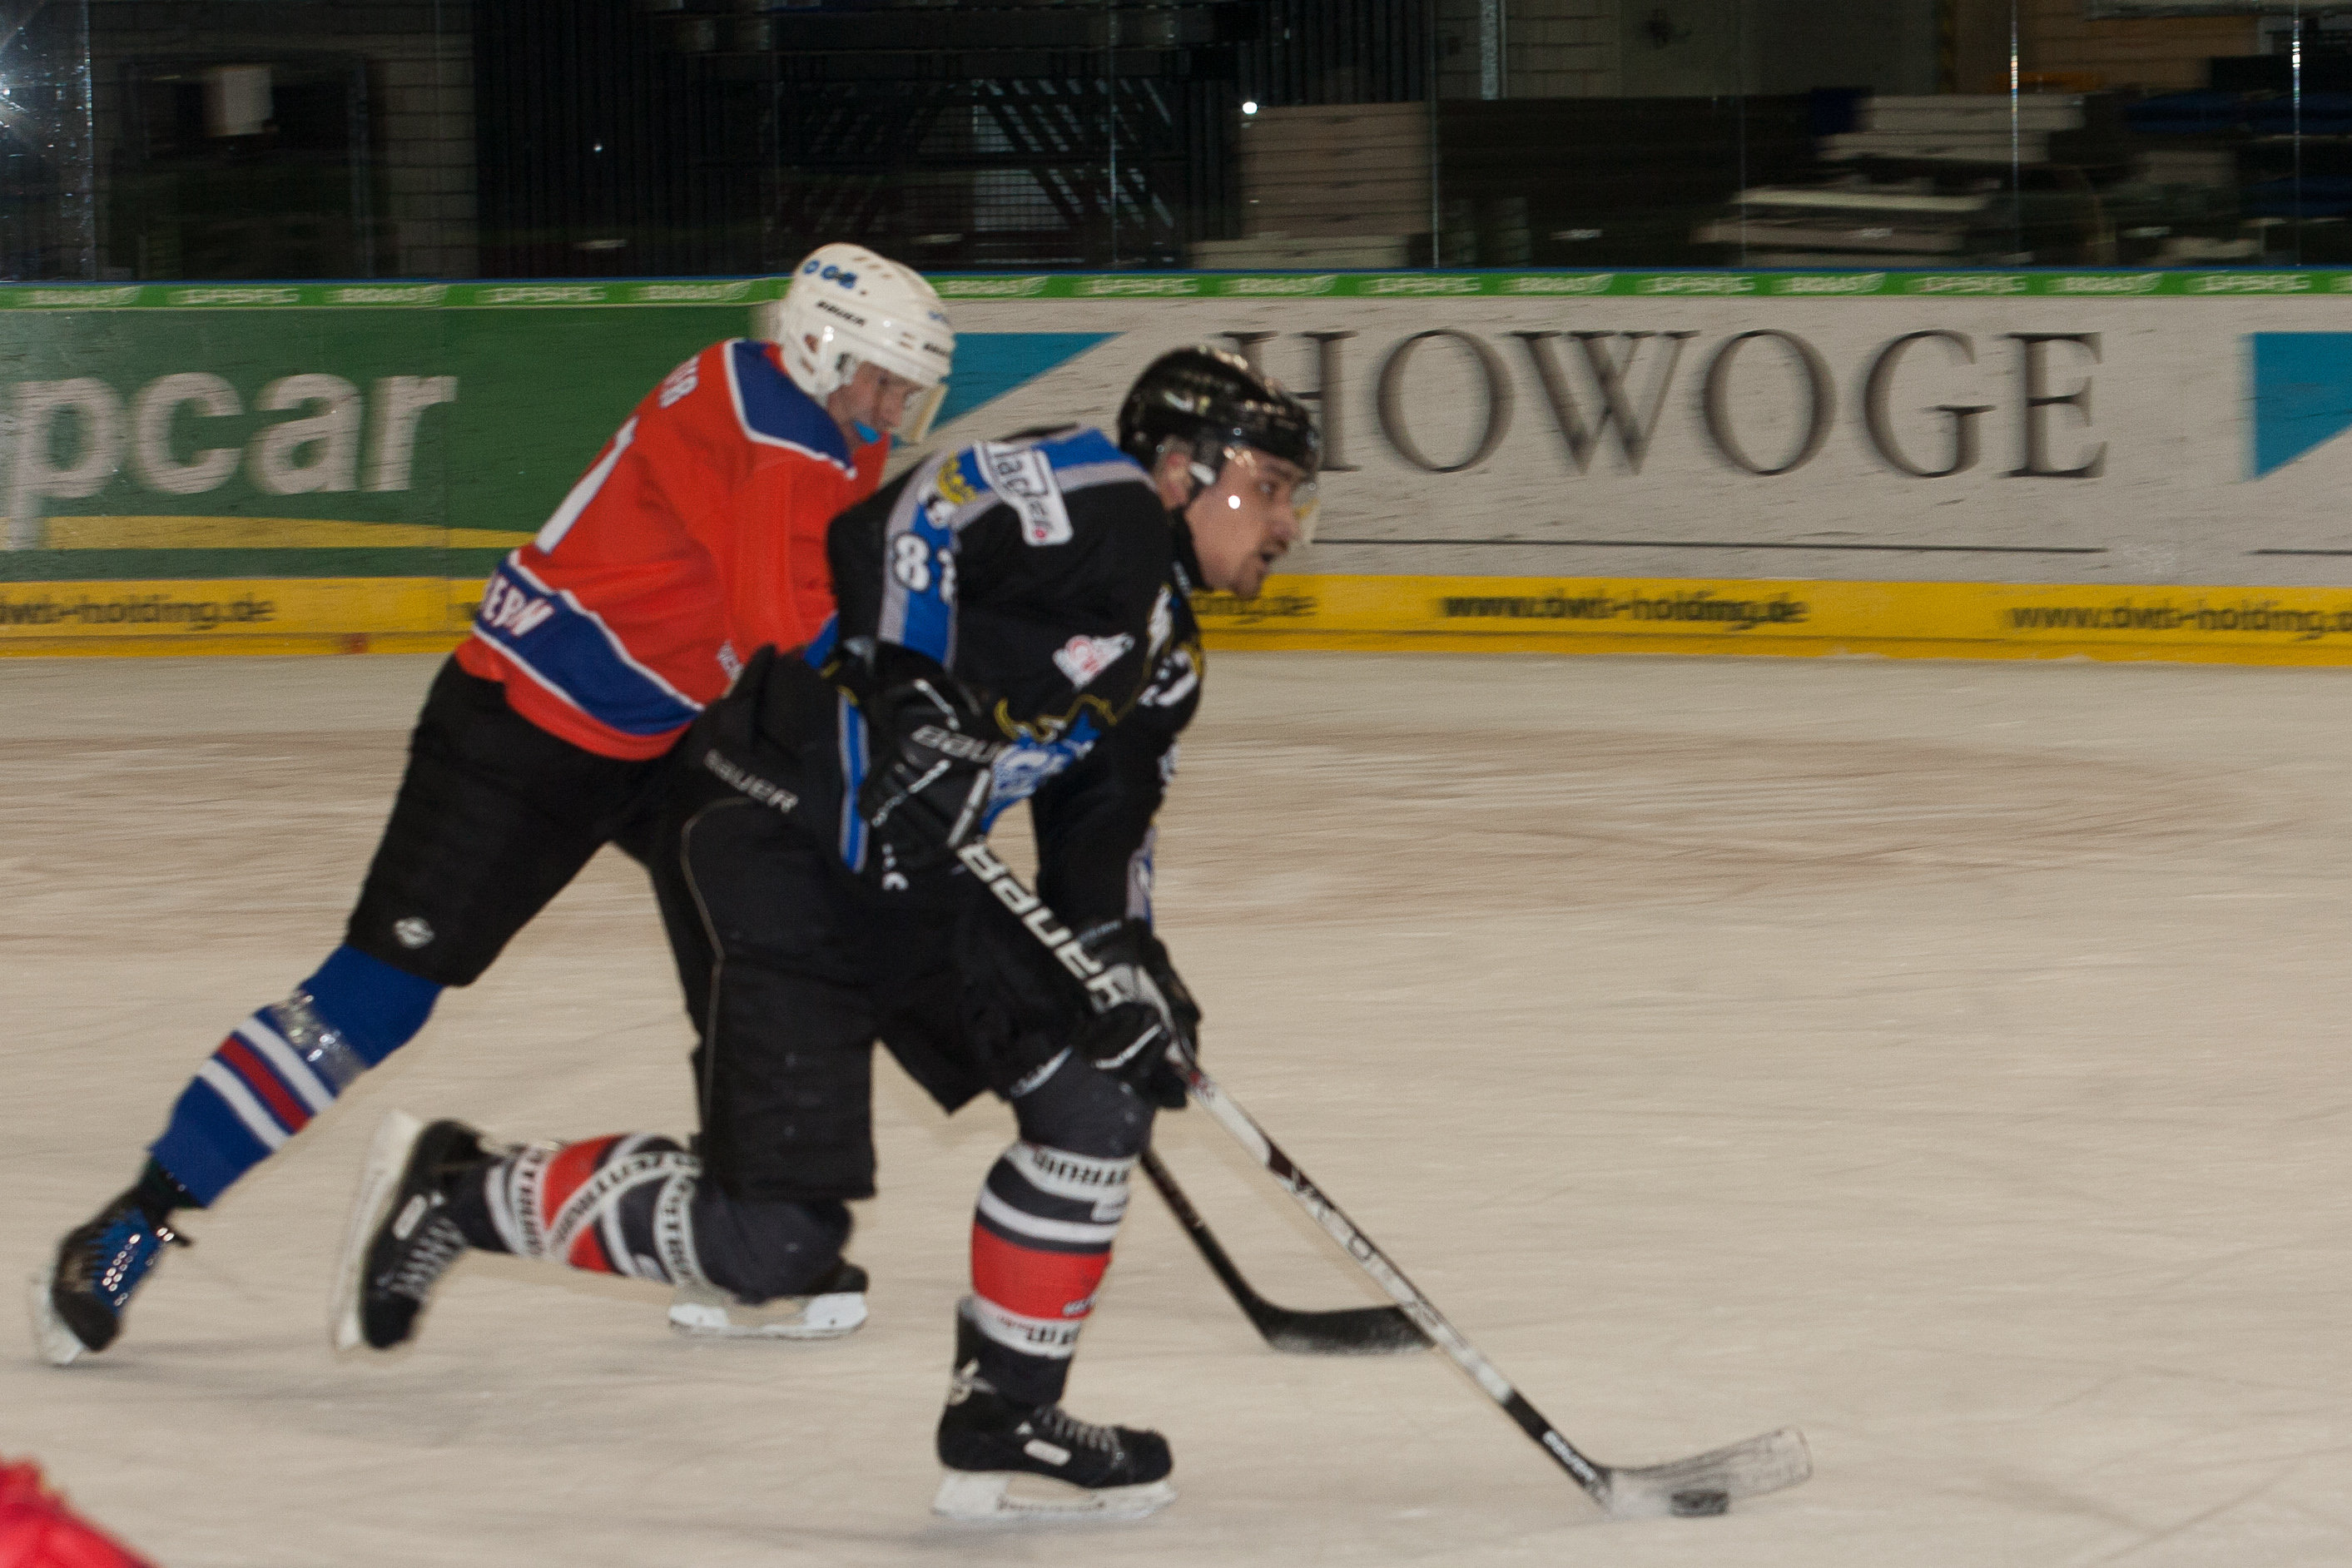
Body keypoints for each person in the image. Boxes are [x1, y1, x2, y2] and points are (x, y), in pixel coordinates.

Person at [334, 346, 1321, 1521]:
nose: (1284, 525)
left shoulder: (1167, 658)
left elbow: (1100, 822)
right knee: (773, 1245)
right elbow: (908, 522)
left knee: (1097, 1095)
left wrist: (1123, 958)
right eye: (1267, 488)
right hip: (775, 829)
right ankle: (461, 1191)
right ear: (1178, 466)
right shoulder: (1093, 490)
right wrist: (906, 688)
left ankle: (1003, 1412)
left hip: (911, 869)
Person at [30, 245, 955, 1367]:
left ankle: (747, 1220)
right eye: (882, 382)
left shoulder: (804, 411)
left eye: (909, 391)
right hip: (523, 733)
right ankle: (130, 1226)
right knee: (372, 1001)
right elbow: (788, 635)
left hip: (663, 734)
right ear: (819, 349)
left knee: (761, 944)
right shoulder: (781, 436)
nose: (893, 409)